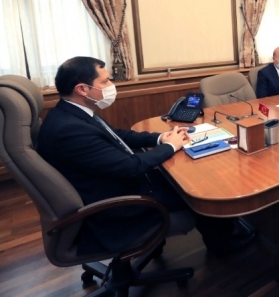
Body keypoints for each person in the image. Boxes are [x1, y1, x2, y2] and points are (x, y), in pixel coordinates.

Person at [37, 57, 254, 256]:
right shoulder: (70, 130)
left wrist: (160, 138)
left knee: (187, 176)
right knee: (200, 187)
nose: (111, 85)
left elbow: (117, 136)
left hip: (117, 185)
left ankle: (226, 230)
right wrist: (171, 146)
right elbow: (131, 166)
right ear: (82, 89)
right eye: (105, 81)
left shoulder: (70, 114)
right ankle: (224, 246)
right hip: (119, 207)